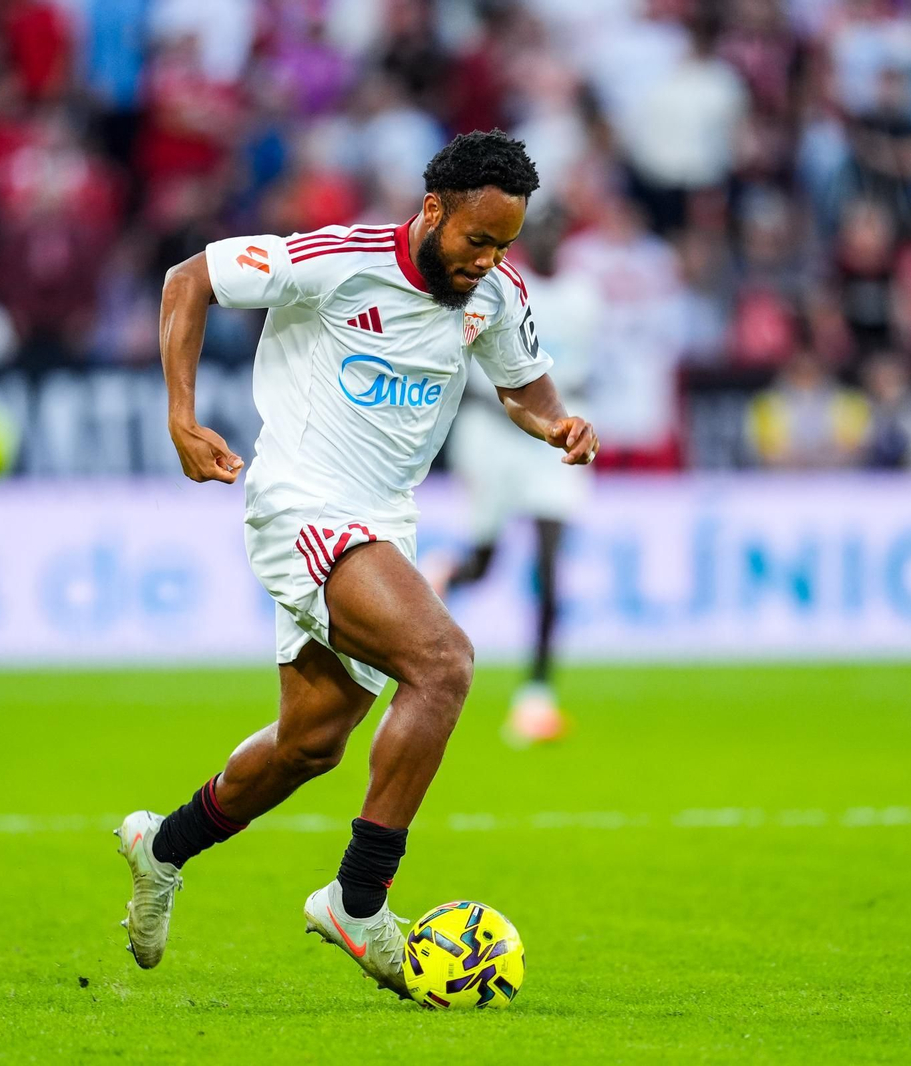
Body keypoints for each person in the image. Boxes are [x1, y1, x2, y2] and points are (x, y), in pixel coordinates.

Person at [115, 131, 598, 996]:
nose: (487, 261)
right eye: (475, 240)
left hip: (384, 522)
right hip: (302, 502)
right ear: (433, 210)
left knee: (310, 745)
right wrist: (182, 418)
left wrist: (556, 424)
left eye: (504, 245)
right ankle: (358, 898)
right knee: (444, 664)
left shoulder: (495, 295)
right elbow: (187, 279)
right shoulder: (336, 260)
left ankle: (162, 845)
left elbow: (524, 387)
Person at [433, 214, 602, 746]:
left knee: (551, 564)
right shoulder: (501, 289)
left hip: (553, 430)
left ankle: (537, 695)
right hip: (493, 429)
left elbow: (580, 368)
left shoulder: (585, 298)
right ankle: (445, 577)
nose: (550, 243)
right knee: (485, 564)